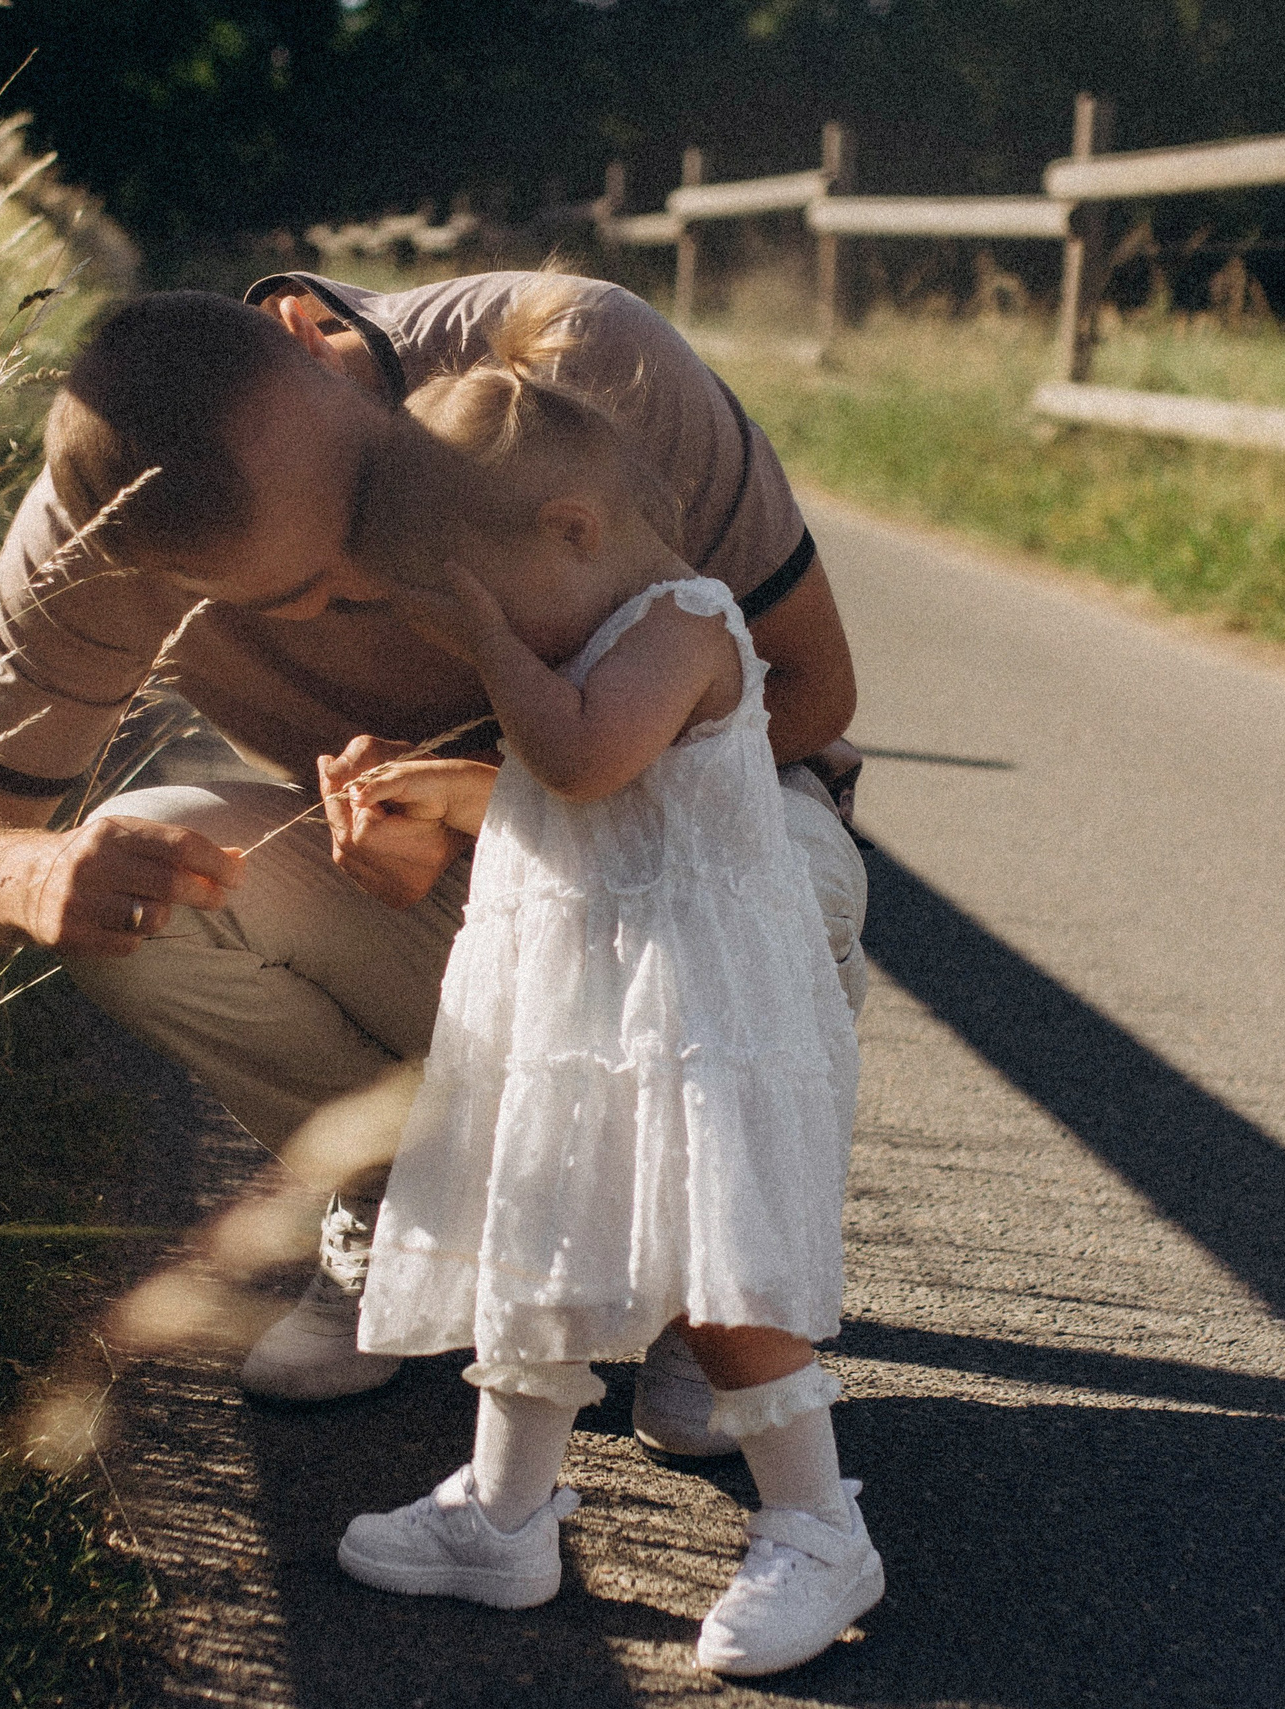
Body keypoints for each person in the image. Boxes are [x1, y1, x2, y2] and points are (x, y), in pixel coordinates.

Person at [0, 272, 866, 1453]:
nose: (388, 582)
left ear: (307, 332)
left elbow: (811, 688)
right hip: (423, 874)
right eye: (314, 594)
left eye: (362, 496)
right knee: (156, 880)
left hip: (704, 833)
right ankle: (406, 1202)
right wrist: (40, 877)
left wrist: (497, 810)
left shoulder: (577, 358)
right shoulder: (103, 533)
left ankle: (706, 1269)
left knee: (793, 876)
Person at [329, 294, 876, 1677]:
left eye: (481, 604)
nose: (475, 650)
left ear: (573, 528)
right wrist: (447, 788)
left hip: (693, 1021)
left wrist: (494, 648)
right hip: (585, 1011)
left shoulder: (683, 622)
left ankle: (819, 1525)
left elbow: (578, 760)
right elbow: (568, 803)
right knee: (537, 1245)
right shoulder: (590, 637)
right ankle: (504, 1511)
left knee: (726, 1290)